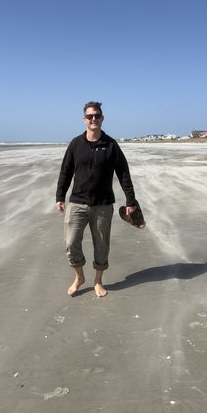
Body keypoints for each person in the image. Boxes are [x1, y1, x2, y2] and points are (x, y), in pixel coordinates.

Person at [56, 101, 138, 298]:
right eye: (90, 116)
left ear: (102, 118)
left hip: (103, 205)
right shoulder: (76, 144)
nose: (94, 119)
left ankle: (98, 281)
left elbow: (123, 173)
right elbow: (66, 171)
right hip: (77, 202)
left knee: (101, 245)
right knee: (71, 242)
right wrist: (60, 196)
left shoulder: (111, 145)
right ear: (84, 119)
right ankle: (79, 277)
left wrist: (131, 200)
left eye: (97, 116)